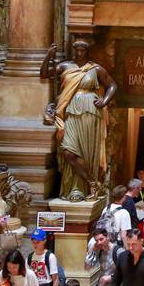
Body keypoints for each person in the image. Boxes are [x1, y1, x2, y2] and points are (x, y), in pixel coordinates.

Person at [42, 39, 117, 200]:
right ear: (74, 51)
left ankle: (82, 189)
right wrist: (48, 56)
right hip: (70, 111)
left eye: (83, 50)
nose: (80, 53)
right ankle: (92, 182)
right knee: (68, 152)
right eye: (77, 50)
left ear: (87, 51)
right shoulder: (65, 66)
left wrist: (104, 102)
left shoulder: (95, 69)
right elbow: (44, 73)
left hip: (90, 112)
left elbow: (112, 85)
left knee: (86, 151)